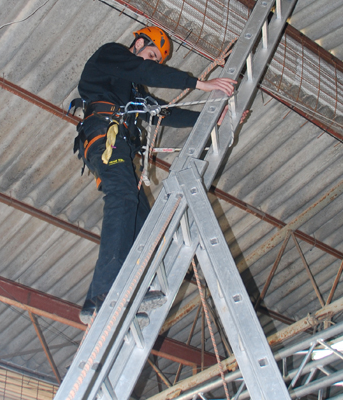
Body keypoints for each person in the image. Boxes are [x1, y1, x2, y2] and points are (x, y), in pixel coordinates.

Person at [74, 26, 236, 324]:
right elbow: (145, 71)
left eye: (156, 60)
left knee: (143, 218)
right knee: (123, 197)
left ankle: (128, 287)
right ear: (136, 44)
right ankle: (103, 293)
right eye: (150, 54)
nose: (151, 63)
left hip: (118, 140)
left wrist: (210, 118)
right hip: (104, 134)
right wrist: (201, 84)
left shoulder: (132, 92)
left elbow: (164, 112)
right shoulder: (112, 55)